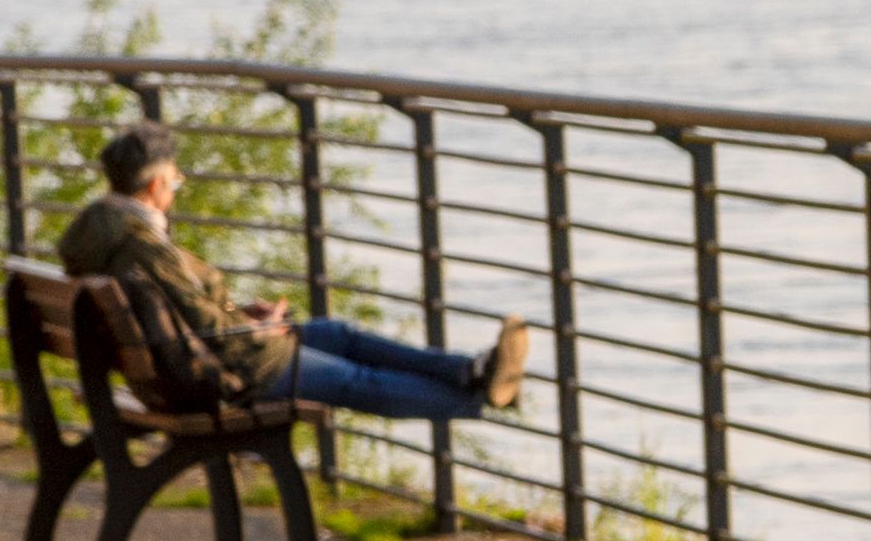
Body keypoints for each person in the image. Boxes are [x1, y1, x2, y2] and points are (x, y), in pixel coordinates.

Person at [59, 128, 530, 424]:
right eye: (176, 183)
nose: (176, 192)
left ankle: (469, 371)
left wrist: (243, 314)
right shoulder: (142, 246)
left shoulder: (110, 232)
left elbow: (178, 313)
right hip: (224, 371)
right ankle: (480, 398)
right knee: (357, 380)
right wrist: (257, 330)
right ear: (155, 185)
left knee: (341, 335)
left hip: (193, 358)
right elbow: (204, 328)